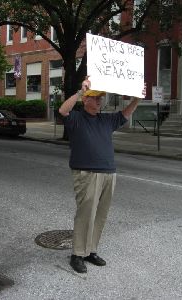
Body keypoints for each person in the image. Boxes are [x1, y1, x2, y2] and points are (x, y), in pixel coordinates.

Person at [59, 78, 145, 273]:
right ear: (86, 100)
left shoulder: (106, 120)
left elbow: (125, 114)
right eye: (95, 98)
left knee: (100, 215)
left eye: (101, 98)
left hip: (108, 173)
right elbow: (63, 110)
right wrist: (80, 92)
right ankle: (77, 254)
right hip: (86, 174)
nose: (99, 102)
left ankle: (91, 250)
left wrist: (138, 98)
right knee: (85, 214)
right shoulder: (76, 119)